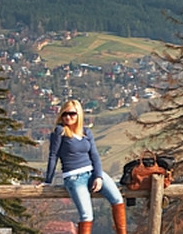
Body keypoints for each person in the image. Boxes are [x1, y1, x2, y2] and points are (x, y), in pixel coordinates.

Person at [44, 100, 128, 234]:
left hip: (92, 172)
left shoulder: (86, 132)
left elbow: (94, 155)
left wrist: (99, 176)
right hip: (74, 177)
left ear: (79, 115)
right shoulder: (59, 132)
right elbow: (53, 156)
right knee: (87, 215)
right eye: (64, 114)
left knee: (117, 199)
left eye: (72, 114)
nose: (68, 117)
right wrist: (47, 181)